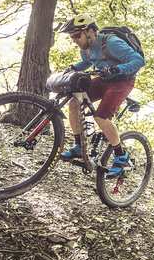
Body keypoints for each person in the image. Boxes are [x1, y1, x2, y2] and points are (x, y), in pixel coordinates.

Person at [56, 14, 145, 177]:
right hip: (104, 79)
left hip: (122, 81)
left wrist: (118, 69)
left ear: (90, 31)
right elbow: (87, 62)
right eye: (72, 37)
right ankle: (78, 146)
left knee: (101, 117)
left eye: (77, 35)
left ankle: (121, 157)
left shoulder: (111, 43)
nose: (75, 40)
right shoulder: (86, 49)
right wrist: (72, 68)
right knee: (75, 102)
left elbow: (138, 60)